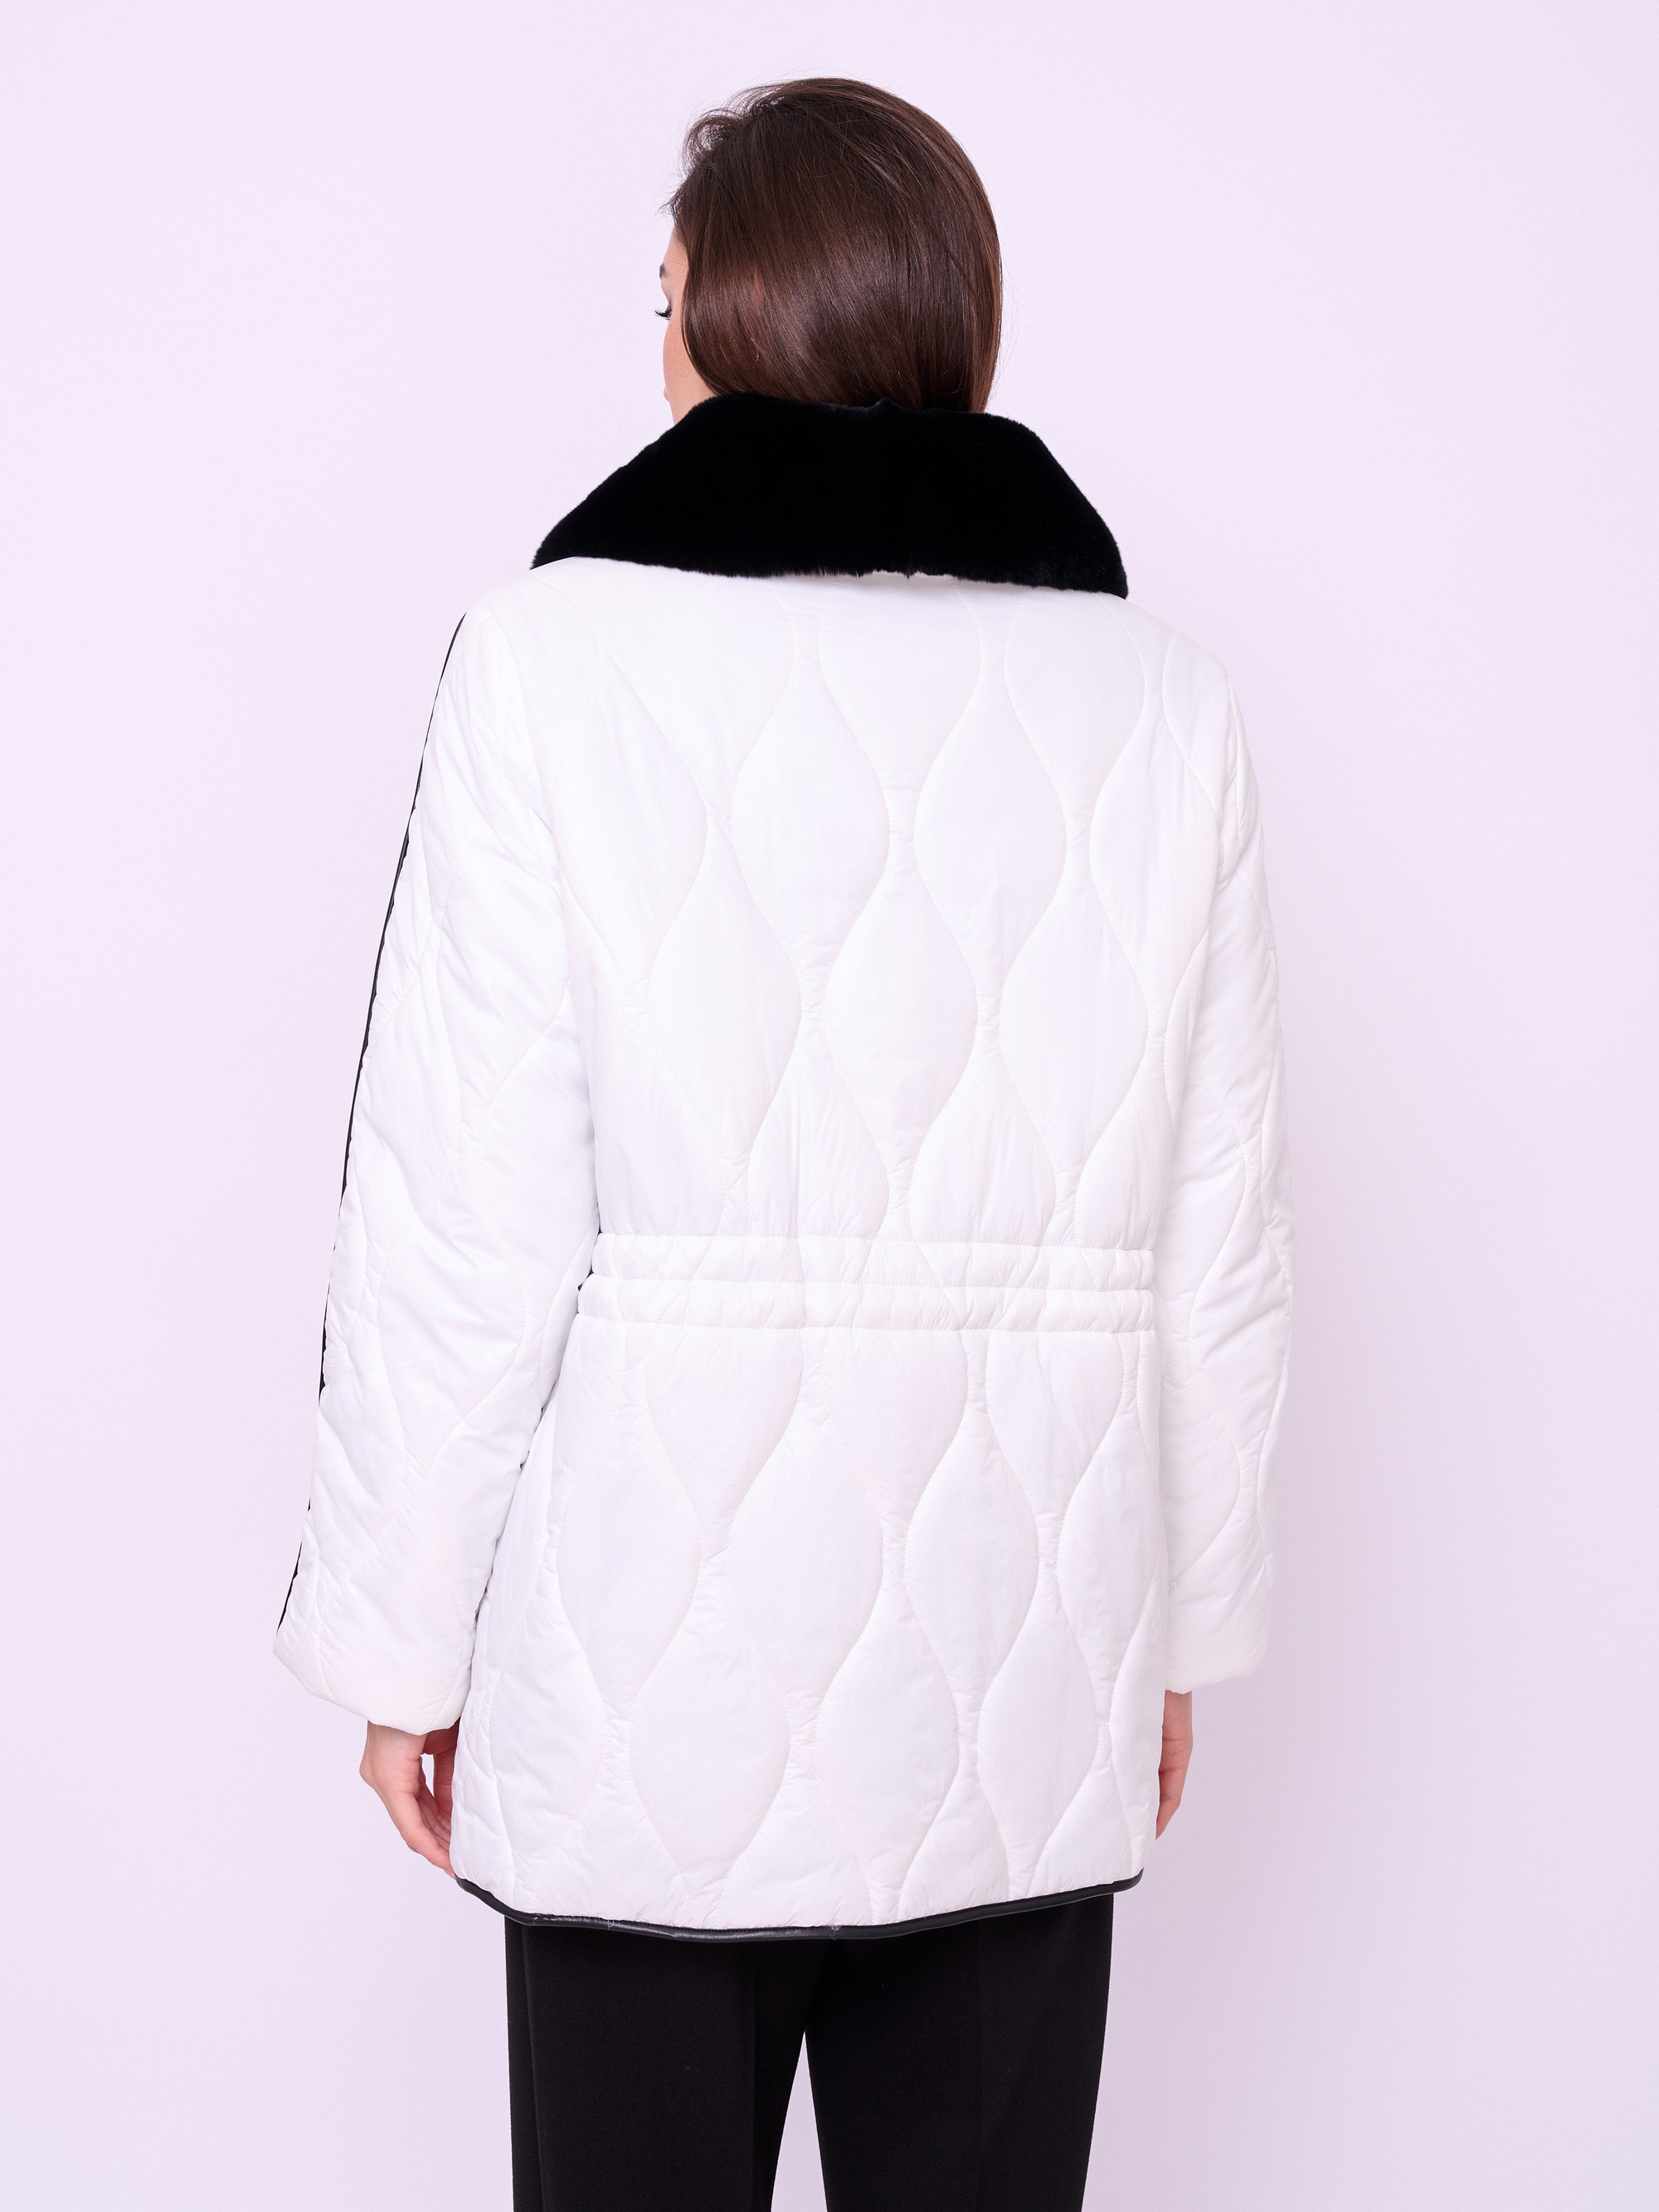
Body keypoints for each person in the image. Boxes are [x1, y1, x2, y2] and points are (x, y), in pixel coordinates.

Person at [275, 76, 1293, 2212]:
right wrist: (1176, 1629)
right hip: (1020, 1675)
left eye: (666, 300)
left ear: (734, 320)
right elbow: (1220, 1234)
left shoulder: (549, 667)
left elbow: (457, 1220)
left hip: (650, 1701)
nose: (654, 348)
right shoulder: (1163, 703)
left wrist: (397, 1647)